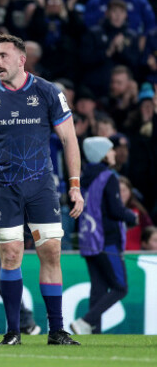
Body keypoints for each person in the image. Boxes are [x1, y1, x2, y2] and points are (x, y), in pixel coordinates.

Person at [0, 33, 83, 345]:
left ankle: (57, 330)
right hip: (3, 188)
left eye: (3, 56)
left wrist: (75, 186)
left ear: (21, 59)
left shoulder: (47, 92)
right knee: (11, 254)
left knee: (51, 251)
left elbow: (70, 139)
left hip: (41, 186)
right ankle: (13, 331)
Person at [70, 137, 137, 335]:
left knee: (98, 290)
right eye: (110, 150)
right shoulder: (109, 177)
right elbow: (116, 211)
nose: (114, 153)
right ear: (102, 154)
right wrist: (132, 217)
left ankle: (93, 333)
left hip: (88, 242)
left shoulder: (84, 178)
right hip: (106, 241)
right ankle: (85, 322)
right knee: (120, 287)